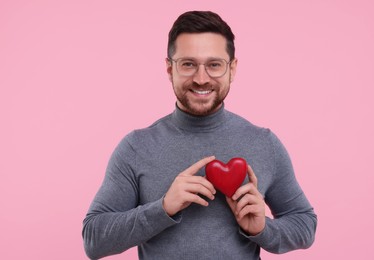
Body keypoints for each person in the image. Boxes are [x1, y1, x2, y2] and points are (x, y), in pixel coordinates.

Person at [82, 10, 317, 260]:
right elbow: (94, 240)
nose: (201, 78)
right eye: (188, 64)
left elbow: (305, 225)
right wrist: (162, 208)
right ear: (170, 69)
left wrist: (262, 229)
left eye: (214, 65)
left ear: (232, 69)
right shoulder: (136, 147)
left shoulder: (264, 143)